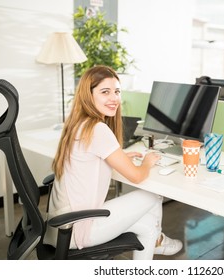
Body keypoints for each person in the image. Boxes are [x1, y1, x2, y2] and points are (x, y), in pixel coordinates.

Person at [43, 65, 182, 259]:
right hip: (79, 228)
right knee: (153, 194)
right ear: (88, 95)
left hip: (60, 228)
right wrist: (147, 162)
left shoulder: (78, 124)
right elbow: (137, 176)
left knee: (148, 226)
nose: (114, 98)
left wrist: (121, 156)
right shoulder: (97, 128)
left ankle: (157, 239)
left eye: (117, 91)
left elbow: (91, 156)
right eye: (105, 92)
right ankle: (159, 240)